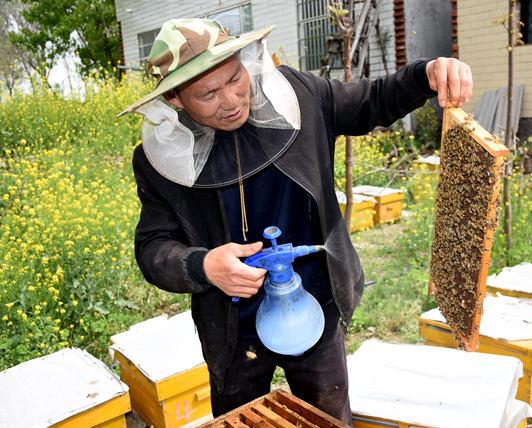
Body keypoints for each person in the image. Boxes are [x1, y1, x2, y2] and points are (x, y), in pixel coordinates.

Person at [119, 18, 473, 423]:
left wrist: (424, 74)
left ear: (243, 61)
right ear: (177, 100)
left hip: (315, 303)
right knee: (241, 418)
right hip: (233, 327)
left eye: (235, 79)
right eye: (208, 94)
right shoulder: (156, 160)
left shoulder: (301, 95)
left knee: (329, 414)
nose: (232, 100)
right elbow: (153, 246)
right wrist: (203, 265)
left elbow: (373, 99)